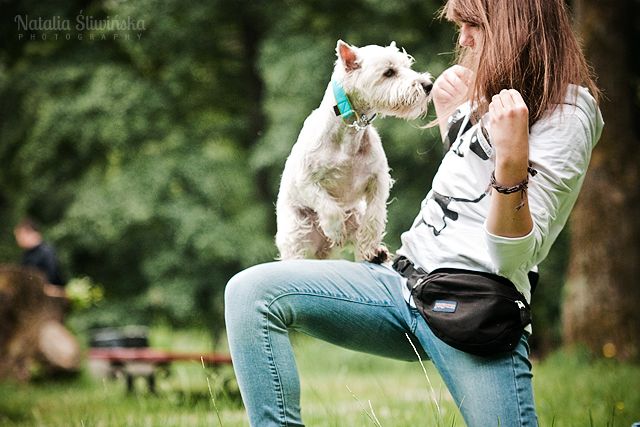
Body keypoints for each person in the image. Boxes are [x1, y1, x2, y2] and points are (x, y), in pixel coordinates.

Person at [224, 0, 604, 425]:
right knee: (249, 292)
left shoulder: (569, 115)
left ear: (515, 25)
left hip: (472, 310)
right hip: (400, 284)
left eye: (472, 25)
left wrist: (512, 162)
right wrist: (453, 122)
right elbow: (467, 202)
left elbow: (512, 255)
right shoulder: (491, 96)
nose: (463, 39)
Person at [14, 217, 67, 297]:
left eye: (19, 236)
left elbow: (51, 277)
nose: (18, 240)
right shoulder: (27, 254)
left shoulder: (46, 252)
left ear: (31, 233)